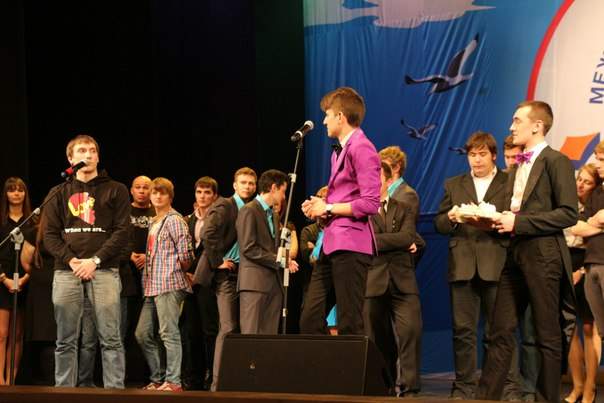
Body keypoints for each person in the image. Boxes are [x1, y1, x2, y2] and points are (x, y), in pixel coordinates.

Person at [476, 101, 578, 402]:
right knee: (499, 330)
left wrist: (518, 222)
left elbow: (568, 213)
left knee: (546, 333)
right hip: (515, 253)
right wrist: (488, 221)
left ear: (537, 126)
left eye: (517, 120)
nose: (511, 126)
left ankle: (547, 398)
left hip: (544, 255)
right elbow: (513, 212)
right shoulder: (518, 165)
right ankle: (486, 398)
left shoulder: (556, 161)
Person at [44, 134, 129, 388]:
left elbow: (122, 231)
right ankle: (64, 392)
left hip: (104, 271)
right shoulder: (58, 192)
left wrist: (95, 260)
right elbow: (49, 235)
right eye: (82, 151)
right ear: (70, 159)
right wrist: (72, 261)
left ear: (98, 157)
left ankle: (115, 391)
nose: (88, 155)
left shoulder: (116, 189)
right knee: (65, 340)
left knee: (111, 338)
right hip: (66, 272)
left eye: (92, 151)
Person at [434, 132, 513, 399]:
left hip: (496, 261)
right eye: (472, 155)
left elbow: (517, 220)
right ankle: (464, 387)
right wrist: (451, 217)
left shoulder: (509, 182)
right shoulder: (454, 183)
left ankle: (500, 387)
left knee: (498, 331)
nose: (477, 160)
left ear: (494, 156)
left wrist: (495, 220)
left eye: (482, 154)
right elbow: (439, 224)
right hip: (463, 264)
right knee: (463, 331)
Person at [300, 86, 381, 336]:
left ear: (340, 117)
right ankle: (328, 362)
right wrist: (321, 210)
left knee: (349, 323)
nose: (324, 121)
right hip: (331, 243)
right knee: (310, 320)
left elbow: (371, 203)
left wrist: (329, 206)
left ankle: (354, 364)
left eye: (327, 115)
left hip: (352, 244)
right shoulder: (339, 152)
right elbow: (344, 198)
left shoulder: (362, 147)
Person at [192, 167, 257, 391]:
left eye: (251, 183)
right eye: (243, 182)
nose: (247, 186)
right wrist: (217, 261)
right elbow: (207, 233)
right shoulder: (225, 205)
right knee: (227, 327)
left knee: (241, 328)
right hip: (223, 274)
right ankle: (218, 384)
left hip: (244, 274)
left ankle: (237, 380)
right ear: (235, 185)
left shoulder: (252, 208)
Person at [365, 162, 421, 397]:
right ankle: (383, 386)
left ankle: (410, 389)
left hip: (403, 281)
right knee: (378, 339)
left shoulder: (404, 207)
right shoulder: (362, 211)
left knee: (411, 332)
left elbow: (408, 236)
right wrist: (397, 242)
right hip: (372, 282)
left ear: (388, 181)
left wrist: (380, 241)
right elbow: (365, 241)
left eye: (376, 178)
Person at [135, 177, 194, 392]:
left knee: (169, 333)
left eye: (163, 193)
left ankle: (174, 381)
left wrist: (176, 270)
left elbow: (186, 254)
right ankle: (158, 378)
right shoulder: (154, 221)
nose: (158, 196)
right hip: (152, 285)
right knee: (142, 333)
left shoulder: (174, 220)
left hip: (169, 283)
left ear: (170, 196)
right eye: (155, 192)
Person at [237, 169, 298, 335]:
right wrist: (279, 260)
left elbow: (273, 248)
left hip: (274, 284)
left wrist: (286, 259)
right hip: (254, 284)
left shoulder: (274, 215)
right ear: (273, 188)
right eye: (283, 191)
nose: (284, 197)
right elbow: (248, 248)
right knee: (251, 335)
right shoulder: (249, 210)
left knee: (269, 338)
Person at [562, 164, 602, 403]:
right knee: (569, 327)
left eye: (587, 182)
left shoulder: (596, 203)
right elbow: (576, 228)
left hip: (587, 263)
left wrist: (580, 271)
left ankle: (590, 386)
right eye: (579, 180)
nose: (581, 185)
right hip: (566, 262)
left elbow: (592, 237)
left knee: (589, 326)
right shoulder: (568, 204)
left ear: (595, 186)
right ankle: (577, 384)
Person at [182, 176, 219, 390]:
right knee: (191, 330)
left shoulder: (218, 218)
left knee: (210, 330)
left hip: (208, 279)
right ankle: (193, 377)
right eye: (199, 192)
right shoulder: (188, 220)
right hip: (188, 280)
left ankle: (212, 375)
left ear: (214, 196)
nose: (203, 196)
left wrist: (199, 273)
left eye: (207, 192)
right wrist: (186, 272)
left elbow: (214, 248)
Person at [0, 177, 33, 384]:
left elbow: (38, 255)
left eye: (20, 190)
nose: (16, 193)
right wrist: (4, 279)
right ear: (6, 194)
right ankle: (1, 381)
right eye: (12, 190)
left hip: (25, 282)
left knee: (17, 334)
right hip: (2, 281)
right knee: (2, 334)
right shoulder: (1, 221)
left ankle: (12, 380)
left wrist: (24, 279)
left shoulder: (33, 220)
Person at [20, 212, 56, 385]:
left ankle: (60, 381)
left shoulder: (65, 231)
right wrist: (41, 275)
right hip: (41, 289)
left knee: (60, 334)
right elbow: (26, 262)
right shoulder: (34, 232)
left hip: (63, 286)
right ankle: (48, 381)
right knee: (44, 333)